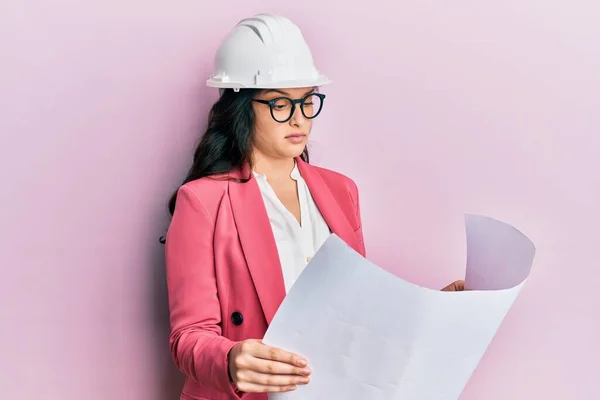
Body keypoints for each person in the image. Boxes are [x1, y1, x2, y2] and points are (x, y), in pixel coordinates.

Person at [163, 13, 464, 400]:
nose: (300, 119)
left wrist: (432, 310)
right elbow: (188, 336)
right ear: (241, 107)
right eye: (280, 105)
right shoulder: (203, 200)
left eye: (307, 102)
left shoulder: (341, 192)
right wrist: (231, 359)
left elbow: (357, 312)